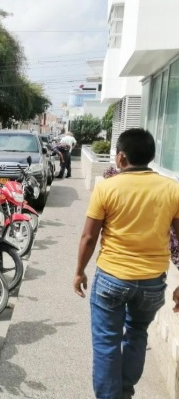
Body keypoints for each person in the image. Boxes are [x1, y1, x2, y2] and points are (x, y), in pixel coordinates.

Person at [73, 128, 179, 399]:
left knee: (106, 344)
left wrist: (79, 272)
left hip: (111, 279)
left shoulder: (107, 188)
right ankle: (124, 392)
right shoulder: (172, 189)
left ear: (120, 158)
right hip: (153, 283)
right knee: (137, 333)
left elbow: (89, 236)